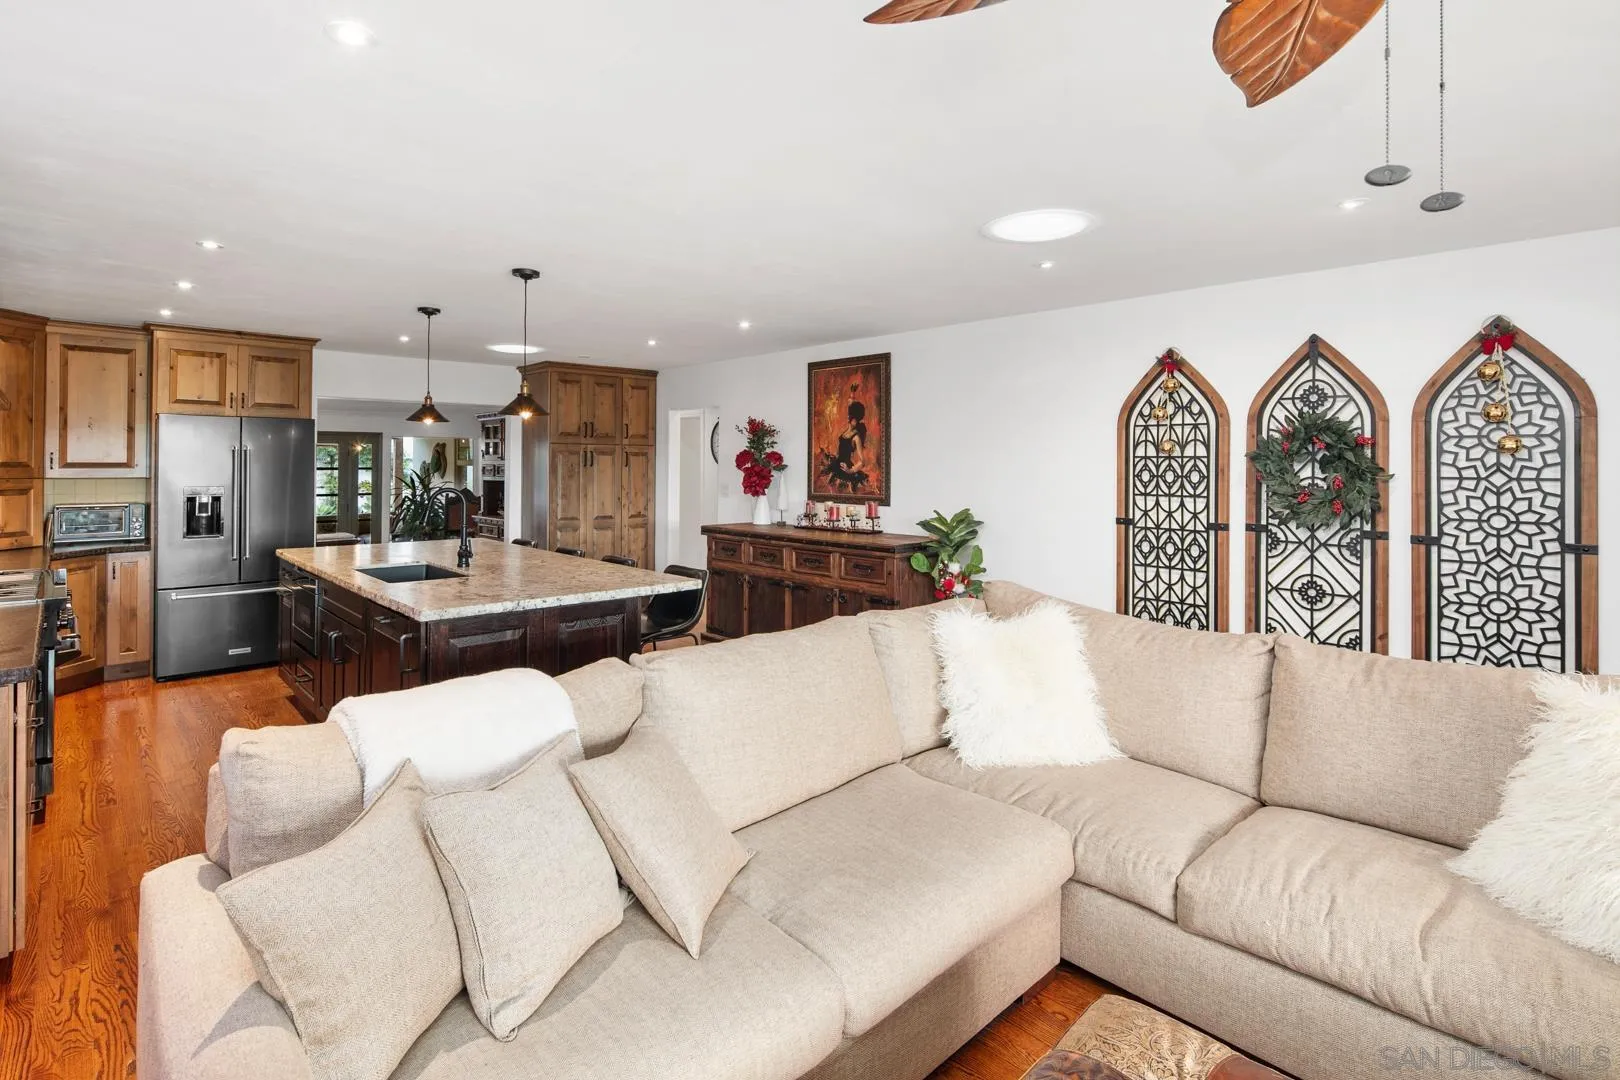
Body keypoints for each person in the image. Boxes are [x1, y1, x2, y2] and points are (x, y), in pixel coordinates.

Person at [819, 400, 870, 494]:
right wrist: (834, 456)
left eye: (850, 416)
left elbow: (863, 462)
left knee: (839, 491)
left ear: (854, 419)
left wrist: (850, 470)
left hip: (844, 468)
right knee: (829, 487)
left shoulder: (856, 437)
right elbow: (840, 450)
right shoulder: (846, 431)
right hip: (836, 464)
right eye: (848, 415)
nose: (847, 417)